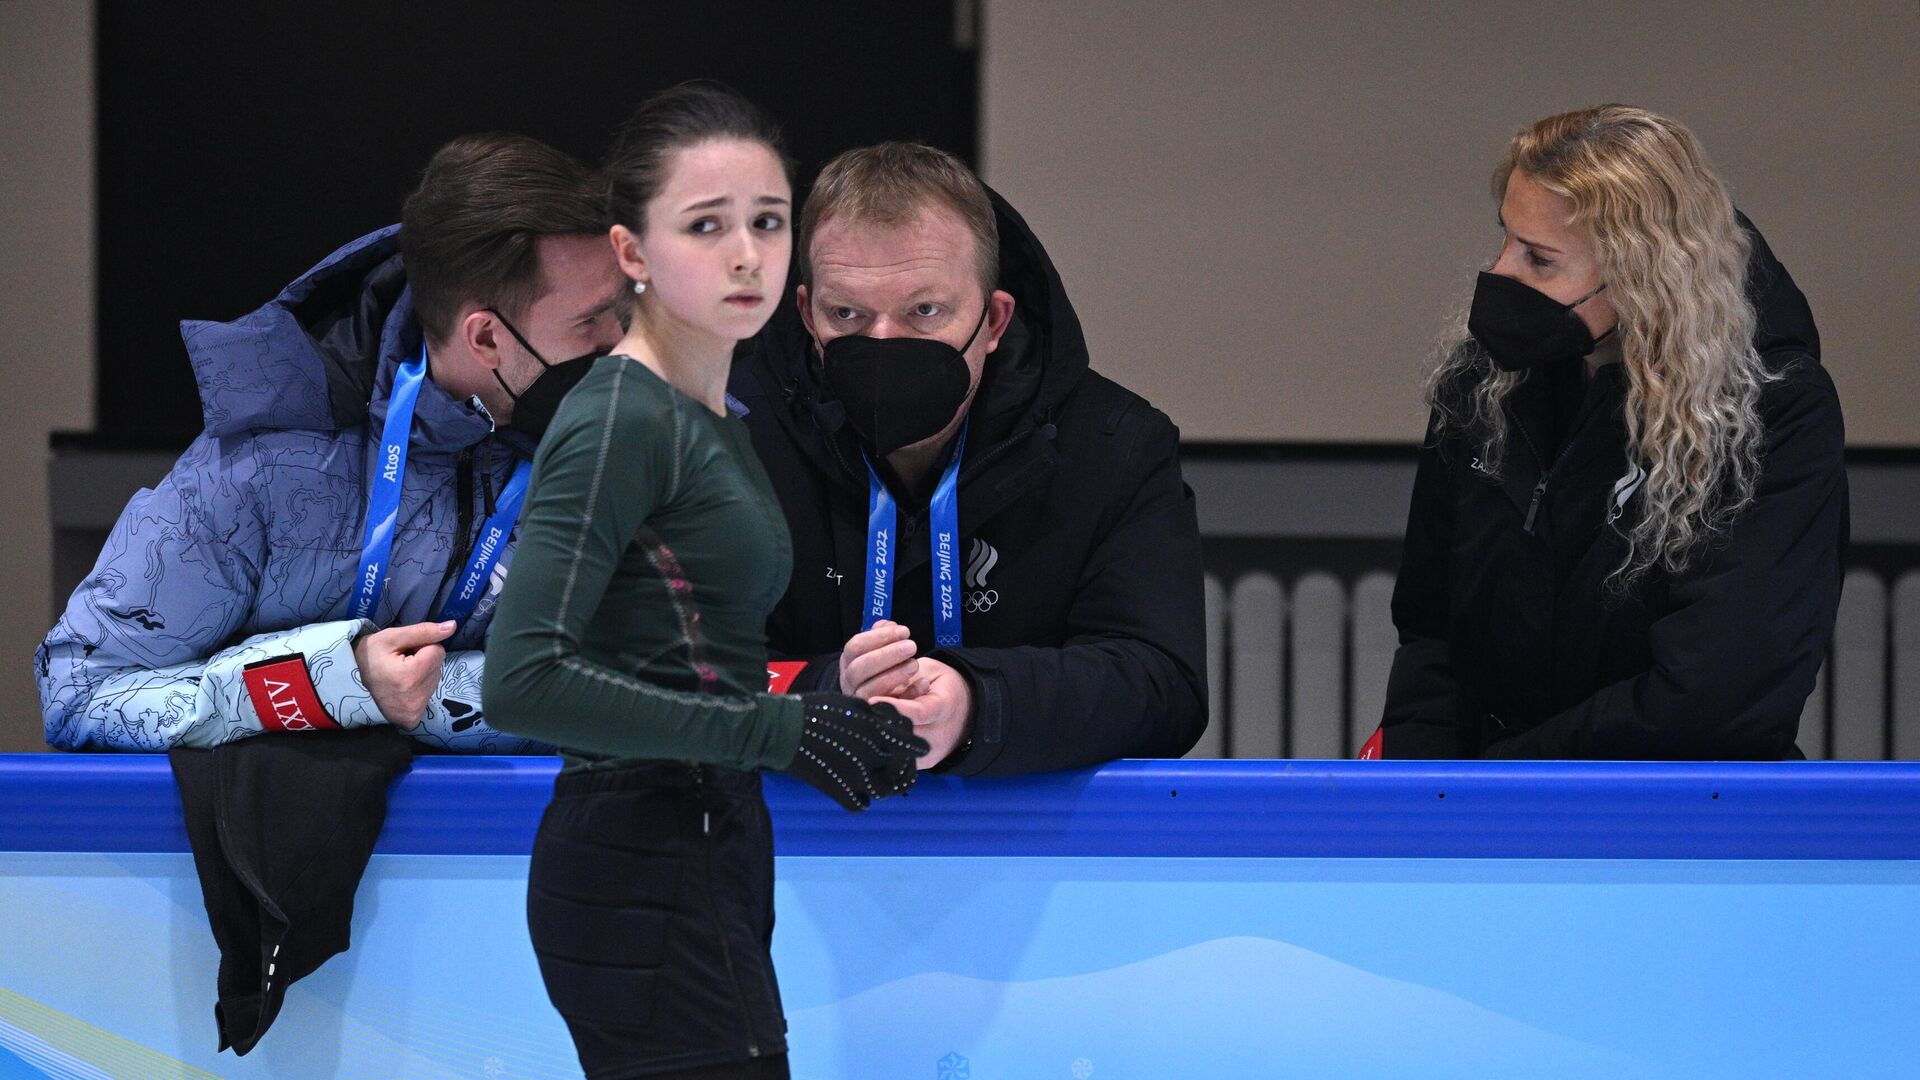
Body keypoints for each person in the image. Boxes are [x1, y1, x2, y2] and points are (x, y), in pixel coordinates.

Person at [482, 83, 925, 1080]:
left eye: (768, 222)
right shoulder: (619, 418)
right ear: (632, 253)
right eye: (706, 226)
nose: (746, 255)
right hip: (642, 854)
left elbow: (681, 645)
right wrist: (779, 732)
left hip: (702, 838)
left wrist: (809, 707)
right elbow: (522, 679)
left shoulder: (710, 412)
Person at [38, 132, 628, 752]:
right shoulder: (260, 470)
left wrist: (415, 697)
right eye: (590, 322)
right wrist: (332, 682)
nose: (622, 341)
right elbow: (79, 695)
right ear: (485, 339)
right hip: (272, 847)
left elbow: (651, 684)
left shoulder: (619, 442)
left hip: (506, 846)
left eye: (622, 309)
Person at [1372, 105, 1846, 760]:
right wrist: (1425, 802)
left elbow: (1715, 698)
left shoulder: (1774, 413)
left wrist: (1500, 784)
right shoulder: (1484, 383)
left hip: (1678, 829)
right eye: (1505, 238)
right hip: (1486, 821)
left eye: (1539, 258)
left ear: (1645, 277)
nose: (1500, 273)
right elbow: (1429, 633)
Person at [728, 142, 1207, 775]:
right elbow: (658, 674)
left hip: (1033, 856)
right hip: (792, 844)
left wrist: (976, 704)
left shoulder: (1115, 446)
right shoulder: (722, 438)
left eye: (924, 311)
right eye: (847, 313)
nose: (882, 344)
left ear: (995, 319)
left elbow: (1162, 685)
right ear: (806, 314)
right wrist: (824, 693)